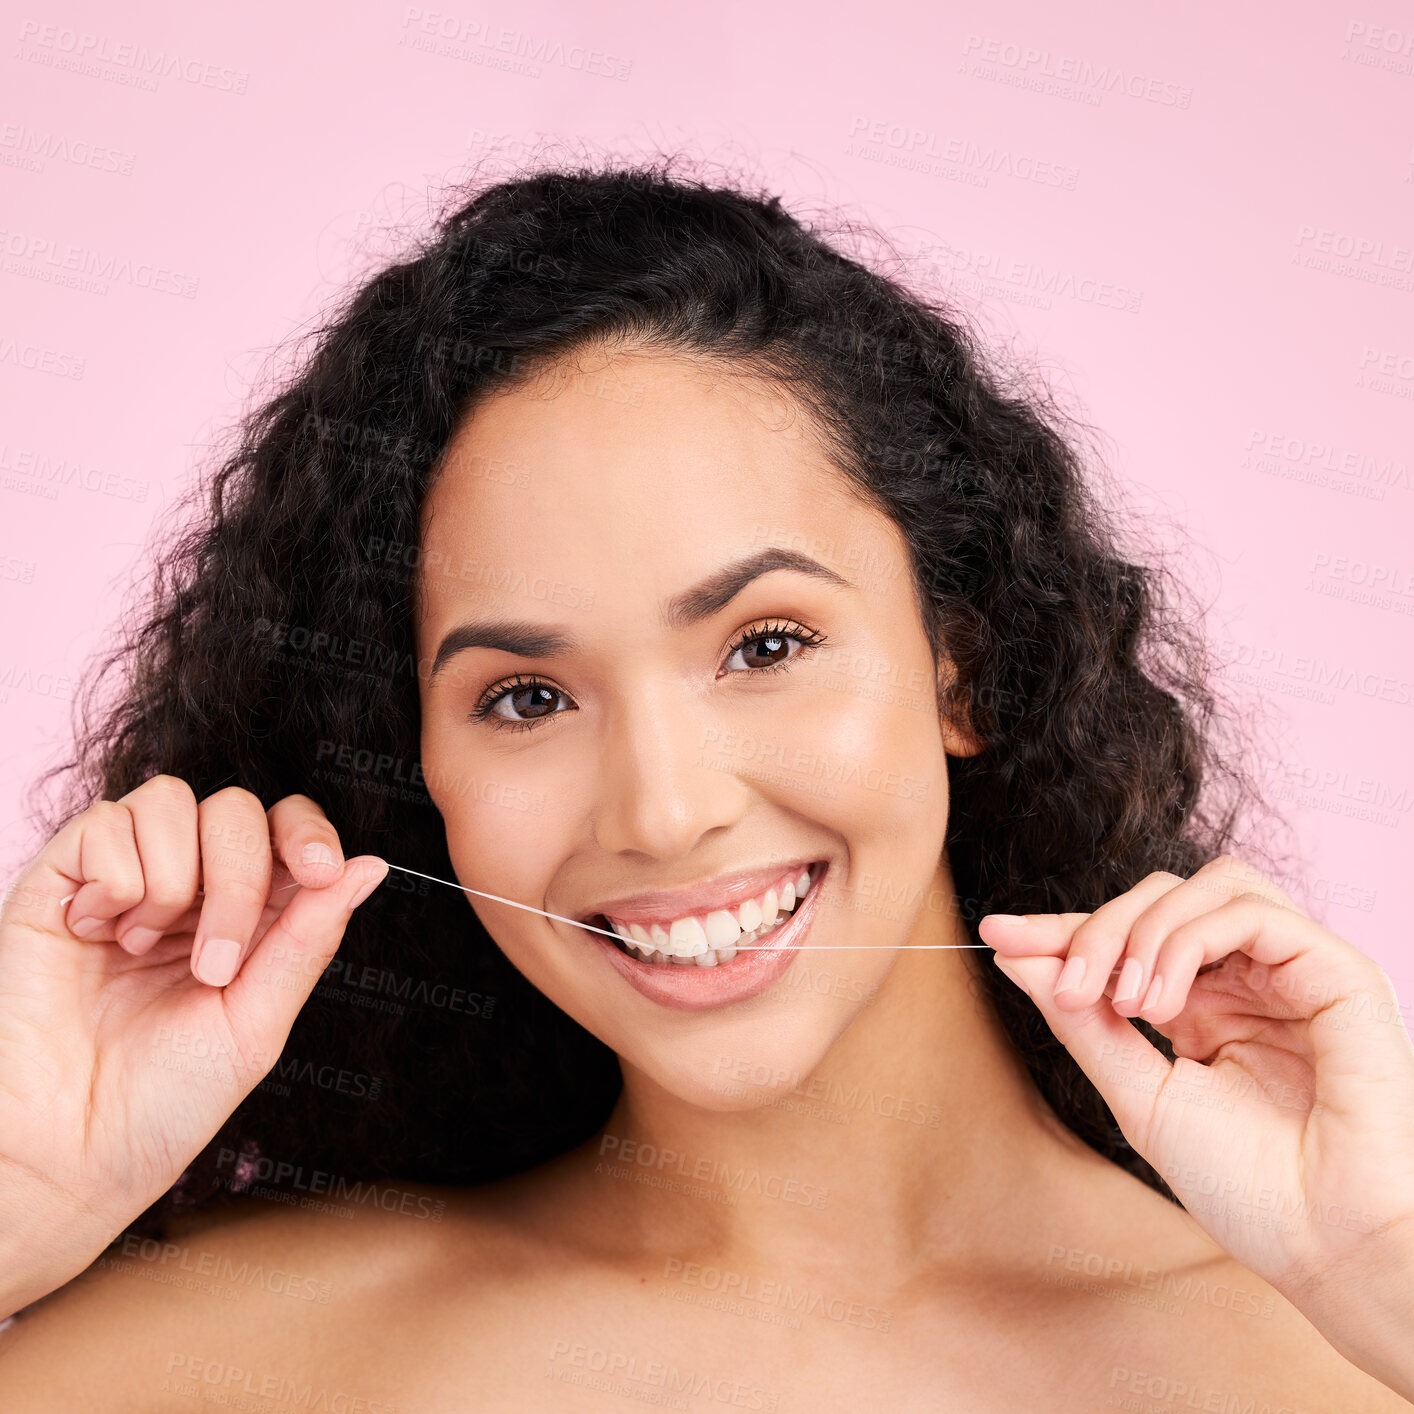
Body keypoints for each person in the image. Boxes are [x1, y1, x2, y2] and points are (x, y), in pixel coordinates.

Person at [2, 159, 1411, 1409]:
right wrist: (21, 1197)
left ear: (961, 665)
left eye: (766, 644)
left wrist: (1384, 1261)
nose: (663, 809)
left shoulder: (1332, 1351)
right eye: (528, 697)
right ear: (414, 764)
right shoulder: (245, 1352)